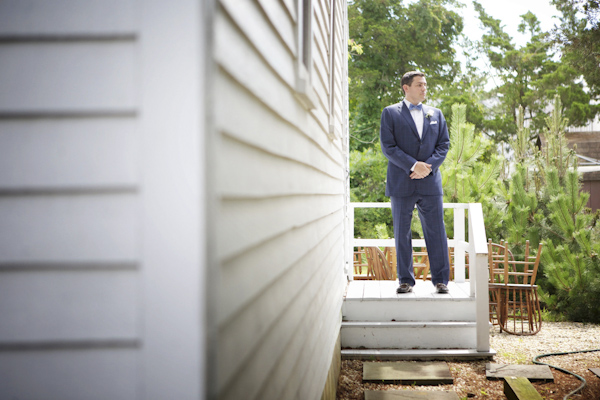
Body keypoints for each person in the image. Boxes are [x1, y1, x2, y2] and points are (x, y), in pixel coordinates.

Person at [379, 71, 451, 294]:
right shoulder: (390, 113)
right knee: (402, 232)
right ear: (406, 87)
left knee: (436, 231)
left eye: (425, 85)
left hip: (430, 181)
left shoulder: (436, 114)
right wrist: (413, 165)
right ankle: (405, 280)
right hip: (402, 181)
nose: (424, 88)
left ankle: (441, 281)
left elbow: (444, 145)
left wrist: (426, 167)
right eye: (419, 85)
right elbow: (388, 147)